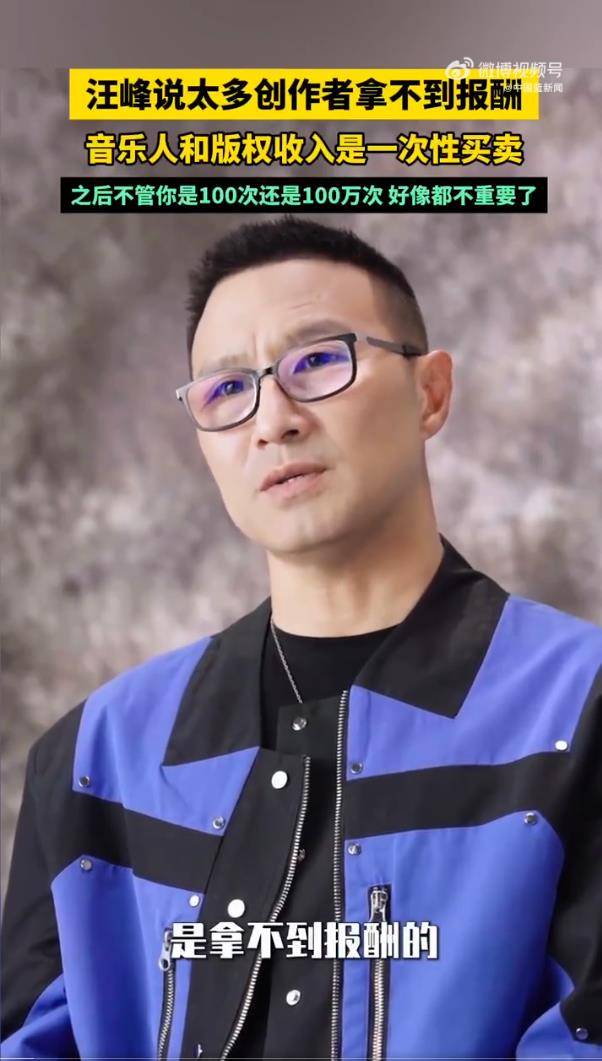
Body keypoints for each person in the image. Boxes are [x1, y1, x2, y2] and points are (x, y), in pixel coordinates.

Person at [1, 216, 601, 1061]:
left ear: (430, 392)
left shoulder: (578, 711)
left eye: (317, 361)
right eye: (226, 389)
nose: (272, 420)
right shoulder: (95, 759)